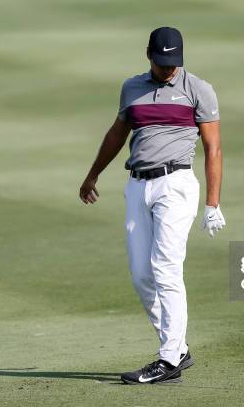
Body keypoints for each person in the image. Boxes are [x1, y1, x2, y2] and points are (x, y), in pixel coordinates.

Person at [79, 26, 226, 384]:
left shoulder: (198, 90)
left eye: (174, 63)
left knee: (165, 269)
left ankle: (169, 359)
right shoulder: (132, 88)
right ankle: (177, 348)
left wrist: (212, 203)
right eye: (162, 64)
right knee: (142, 275)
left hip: (175, 185)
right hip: (137, 186)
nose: (169, 70)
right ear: (149, 56)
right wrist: (93, 174)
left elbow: (214, 148)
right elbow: (117, 134)